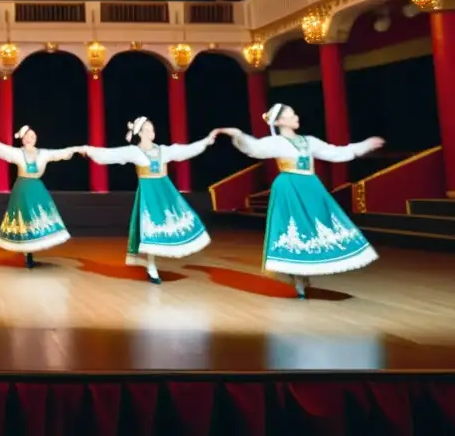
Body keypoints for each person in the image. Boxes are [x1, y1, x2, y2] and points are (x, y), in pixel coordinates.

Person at [219, 104, 383, 298]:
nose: (296, 117)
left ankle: (305, 269)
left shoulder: (309, 141)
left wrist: (363, 146)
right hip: (288, 186)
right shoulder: (276, 142)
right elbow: (254, 148)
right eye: (291, 115)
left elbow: (334, 152)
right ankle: (297, 275)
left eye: (295, 113)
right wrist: (237, 134)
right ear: (279, 122)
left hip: (311, 186)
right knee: (293, 228)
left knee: (317, 224)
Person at [84, 117, 216, 283]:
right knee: (150, 227)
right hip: (148, 194)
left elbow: (184, 151)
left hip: (165, 191)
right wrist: (89, 150)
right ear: (140, 133)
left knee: (174, 221)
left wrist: (205, 142)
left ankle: (171, 251)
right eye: (147, 129)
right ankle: (151, 266)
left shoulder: (163, 150)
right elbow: (111, 154)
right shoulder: (135, 151)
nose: (151, 132)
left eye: (152, 129)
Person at [0, 122, 84, 267]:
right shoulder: (17, 153)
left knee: (39, 218)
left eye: (33, 135)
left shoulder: (43, 153)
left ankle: (32, 250)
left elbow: (60, 152)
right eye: (28, 136)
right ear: (23, 139)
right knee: (25, 219)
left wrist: (79, 149)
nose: (32, 138)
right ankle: (28, 254)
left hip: (37, 189)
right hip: (22, 189)